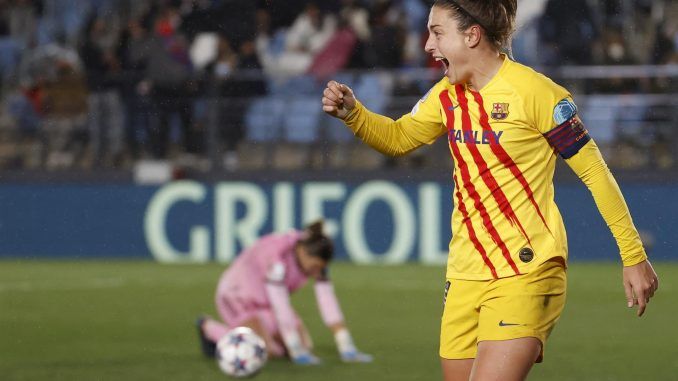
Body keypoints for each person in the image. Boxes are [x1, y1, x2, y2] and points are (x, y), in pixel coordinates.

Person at [321, 1, 659, 380]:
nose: (428, 46)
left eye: (437, 33)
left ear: (471, 34)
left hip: (526, 269)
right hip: (464, 275)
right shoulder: (446, 97)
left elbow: (596, 173)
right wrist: (354, 114)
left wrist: (632, 254)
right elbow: (400, 138)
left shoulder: (537, 94)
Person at [196, 221, 372, 365]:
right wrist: (295, 350)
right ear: (302, 251)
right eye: (315, 266)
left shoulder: (313, 259)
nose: (316, 271)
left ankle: (260, 334)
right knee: (264, 351)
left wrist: (346, 345)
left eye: (321, 267)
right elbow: (280, 304)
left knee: (305, 346)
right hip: (237, 298)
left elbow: (327, 300)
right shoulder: (277, 256)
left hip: (266, 304)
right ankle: (209, 328)